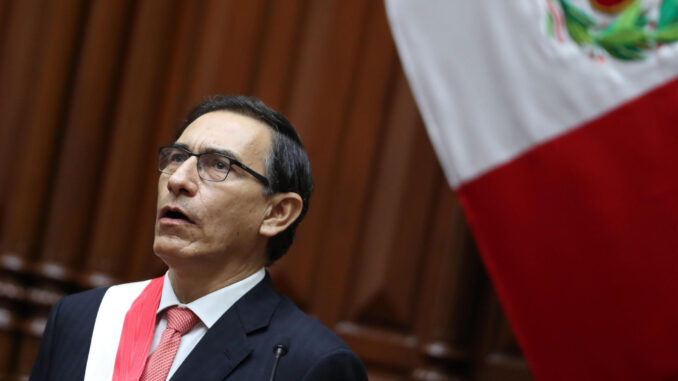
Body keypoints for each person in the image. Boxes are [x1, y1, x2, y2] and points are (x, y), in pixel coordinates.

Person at [29, 95, 368, 381]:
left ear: (276, 213)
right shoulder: (81, 318)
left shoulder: (311, 364)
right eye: (177, 158)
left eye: (217, 165)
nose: (178, 179)